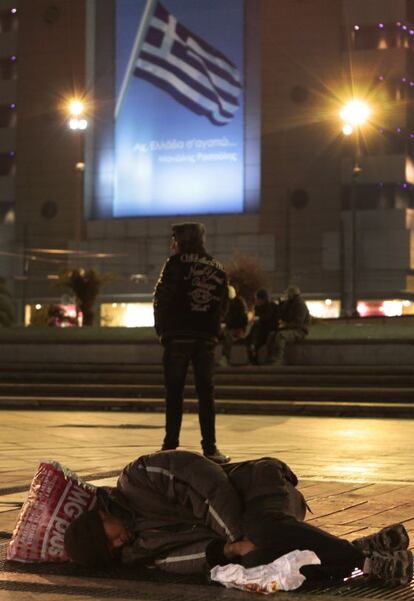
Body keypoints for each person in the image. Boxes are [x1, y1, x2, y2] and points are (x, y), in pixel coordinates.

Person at [64, 450, 413, 586]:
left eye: (108, 537)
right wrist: (230, 552)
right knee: (261, 563)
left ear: (100, 517)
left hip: (261, 488)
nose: (118, 544)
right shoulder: (136, 550)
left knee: (262, 531)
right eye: (112, 551)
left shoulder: (139, 477)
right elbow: (178, 561)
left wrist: (236, 537)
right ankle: (360, 552)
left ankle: (364, 561)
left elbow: (207, 484)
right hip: (249, 529)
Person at [153, 223, 230, 464]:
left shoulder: (174, 264)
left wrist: (163, 330)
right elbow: (223, 305)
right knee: (205, 392)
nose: (172, 242)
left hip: (177, 336)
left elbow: (161, 298)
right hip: (205, 338)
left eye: (174, 237)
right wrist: (214, 330)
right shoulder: (217, 268)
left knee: (174, 393)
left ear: (182, 240)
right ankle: (210, 448)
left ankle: (170, 444)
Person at [269, 285, 310, 365]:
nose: (286, 295)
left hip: (300, 330)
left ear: (292, 294)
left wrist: (285, 325)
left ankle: (278, 358)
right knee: (271, 335)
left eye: (287, 294)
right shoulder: (288, 303)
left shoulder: (300, 304)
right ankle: (270, 357)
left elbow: (298, 322)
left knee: (281, 336)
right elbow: (282, 315)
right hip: (290, 328)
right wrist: (280, 305)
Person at [247, 289, 281, 364]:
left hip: (268, 329)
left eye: (258, 299)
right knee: (249, 340)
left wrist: (258, 319)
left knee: (259, 341)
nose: (256, 301)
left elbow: (267, 318)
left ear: (263, 299)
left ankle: (257, 359)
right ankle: (253, 358)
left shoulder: (272, 306)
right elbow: (257, 318)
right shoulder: (258, 307)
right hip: (259, 328)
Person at [219, 285, 249, 367]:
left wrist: (242, 329)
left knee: (227, 336)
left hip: (237, 329)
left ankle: (225, 357)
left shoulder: (237, 303)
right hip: (232, 328)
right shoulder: (232, 303)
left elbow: (242, 319)